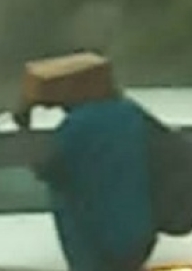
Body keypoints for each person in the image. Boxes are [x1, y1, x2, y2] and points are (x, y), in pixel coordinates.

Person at [16, 91, 157, 271]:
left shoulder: (76, 127)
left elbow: (44, 167)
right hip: (136, 233)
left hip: (93, 239)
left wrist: (24, 127)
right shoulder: (130, 115)